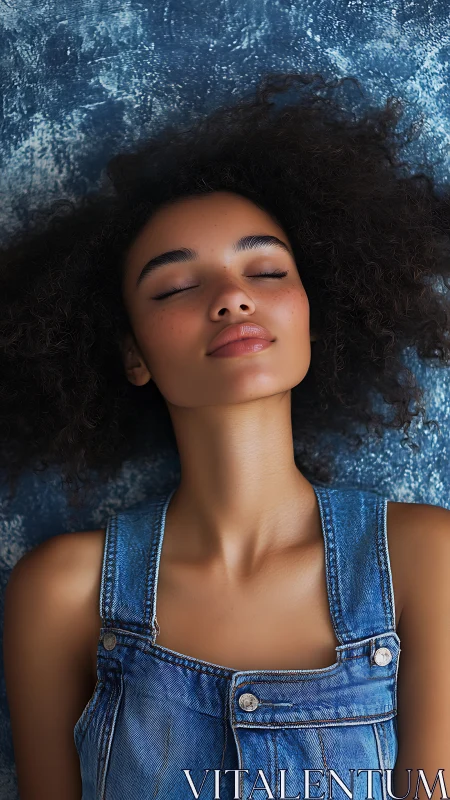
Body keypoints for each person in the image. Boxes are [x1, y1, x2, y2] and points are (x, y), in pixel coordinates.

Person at [2, 72, 450, 800]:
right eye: (177, 286)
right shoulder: (61, 594)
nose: (233, 297)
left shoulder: (426, 560)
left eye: (265, 270)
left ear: (312, 313)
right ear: (133, 355)